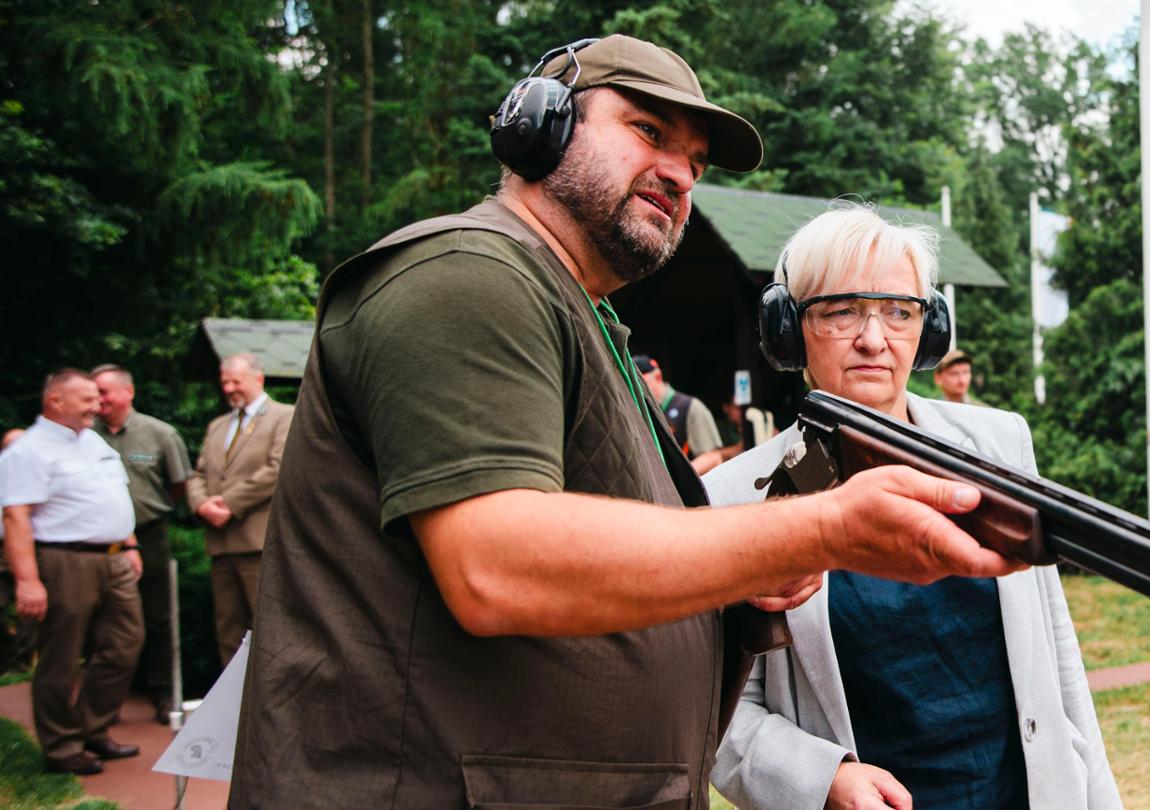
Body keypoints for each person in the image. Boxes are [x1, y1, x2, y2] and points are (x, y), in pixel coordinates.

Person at [228, 35, 1022, 809]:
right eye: (649, 132)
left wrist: (747, 586)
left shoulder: (578, 316)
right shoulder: (468, 274)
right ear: (540, 125)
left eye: (696, 164)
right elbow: (495, 565)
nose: (679, 172)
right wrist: (820, 530)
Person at [705, 207, 1122, 810]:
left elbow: (1057, 653)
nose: (874, 338)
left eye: (899, 311)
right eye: (842, 310)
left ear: (928, 331)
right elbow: (721, 710)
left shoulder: (999, 446)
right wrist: (823, 781)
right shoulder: (736, 495)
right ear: (789, 330)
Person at [0, 369, 144, 776]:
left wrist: (128, 543)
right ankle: (63, 748)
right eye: (87, 399)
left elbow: (110, 495)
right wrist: (28, 581)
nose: (97, 406)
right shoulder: (28, 451)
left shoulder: (92, 439)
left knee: (125, 644)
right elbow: (16, 518)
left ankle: (92, 729)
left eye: (99, 398)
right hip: (64, 560)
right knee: (61, 657)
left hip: (114, 558)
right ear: (55, 401)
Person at [90, 364, 192, 717]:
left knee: (159, 616)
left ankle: (163, 694)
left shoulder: (161, 434)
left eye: (103, 391)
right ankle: (105, 701)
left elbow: (180, 485)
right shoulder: (86, 435)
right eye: (93, 392)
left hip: (149, 533)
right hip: (99, 538)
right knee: (101, 617)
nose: (97, 399)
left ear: (127, 392)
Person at [185, 352, 293, 665]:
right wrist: (202, 504)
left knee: (267, 627)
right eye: (225, 382)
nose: (230, 388)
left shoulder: (283, 416)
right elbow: (199, 473)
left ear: (257, 379)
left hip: (258, 543)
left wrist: (229, 503)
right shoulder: (218, 425)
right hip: (221, 544)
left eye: (236, 381)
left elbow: (278, 467)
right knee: (228, 630)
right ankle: (230, 709)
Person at [635, 353, 725, 473]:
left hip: (686, 487)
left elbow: (713, 457)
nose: (638, 390)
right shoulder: (639, 411)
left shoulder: (690, 406)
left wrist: (677, 479)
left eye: (641, 383)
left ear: (658, 376)